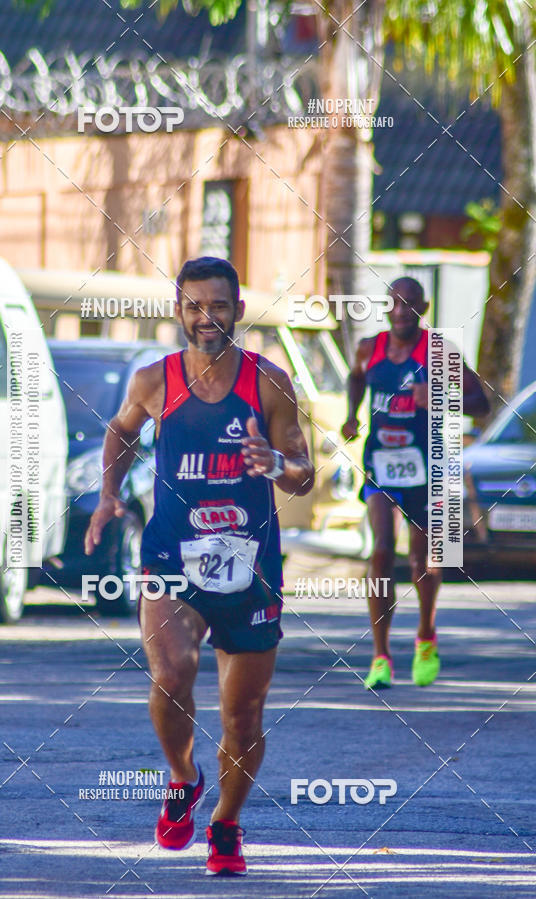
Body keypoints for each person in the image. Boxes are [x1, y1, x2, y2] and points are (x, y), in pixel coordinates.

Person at [84, 256, 314, 875]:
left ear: (238, 310)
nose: (205, 317)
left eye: (217, 305)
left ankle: (226, 823)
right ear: (178, 309)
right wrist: (109, 494)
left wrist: (274, 464)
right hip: (171, 559)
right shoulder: (155, 379)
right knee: (171, 674)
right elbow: (121, 432)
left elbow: (304, 472)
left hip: (251, 566)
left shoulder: (268, 381)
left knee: (242, 717)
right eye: (193, 305)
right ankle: (183, 777)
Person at [342, 277, 489, 689]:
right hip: (381, 463)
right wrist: (352, 416)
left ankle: (425, 636)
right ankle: (381, 656)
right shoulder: (369, 348)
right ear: (386, 307)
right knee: (382, 551)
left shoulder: (439, 351)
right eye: (394, 303)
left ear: (424, 307)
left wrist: (442, 397)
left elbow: (482, 403)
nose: (402, 311)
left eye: (410, 304)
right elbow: (356, 378)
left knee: (423, 560)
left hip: (429, 465)